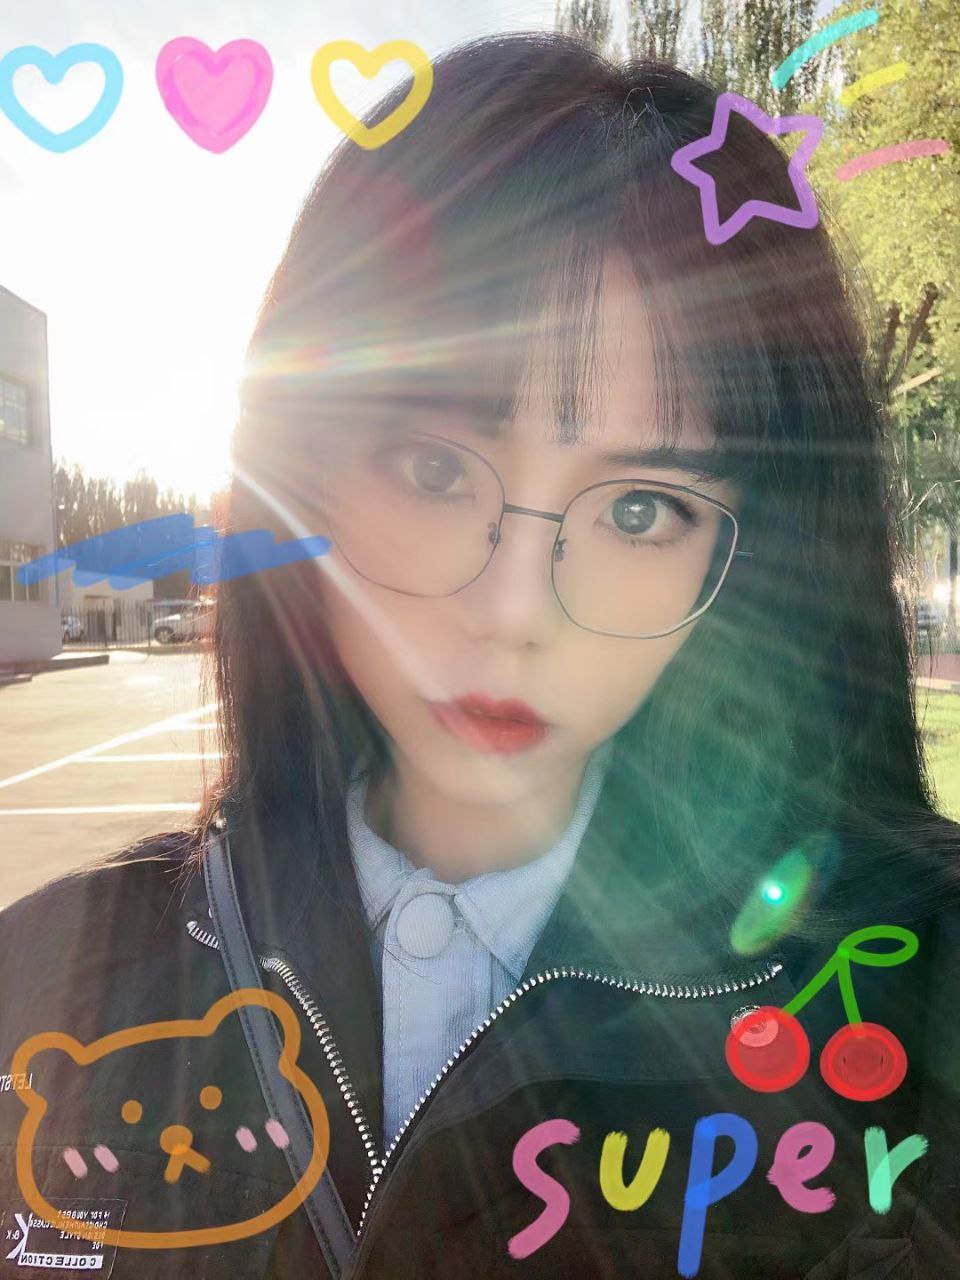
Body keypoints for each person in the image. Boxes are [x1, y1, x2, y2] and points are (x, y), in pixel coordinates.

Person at [1, 30, 958, 1280]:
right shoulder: (46, 984)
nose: (514, 611)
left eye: (641, 509)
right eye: (434, 468)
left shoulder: (914, 996)